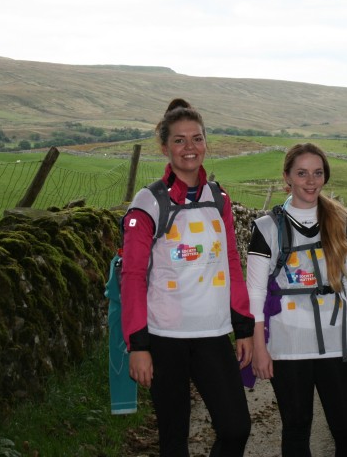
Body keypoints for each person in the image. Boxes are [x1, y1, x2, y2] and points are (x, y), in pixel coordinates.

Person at [121, 98, 254, 457]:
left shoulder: (218, 198)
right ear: (164, 147)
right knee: (174, 439)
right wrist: (139, 345)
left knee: (236, 428)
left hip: (213, 334)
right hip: (166, 338)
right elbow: (132, 276)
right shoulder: (148, 202)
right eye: (179, 140)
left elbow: (230, 262)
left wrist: (243, 328)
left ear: (206, 142)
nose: (190, 148)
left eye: (197, 138)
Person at [247, 143, 347, 457]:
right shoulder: (266, 228)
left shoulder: (341, 222)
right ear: (287, 177)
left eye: (317, 173)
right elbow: (255, 293)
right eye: (301, 173)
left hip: (339, 341)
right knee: (297, 427)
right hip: (288, 342)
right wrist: (259, 349)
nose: (310, 180)